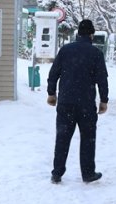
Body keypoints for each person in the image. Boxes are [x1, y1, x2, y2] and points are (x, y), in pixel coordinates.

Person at [46, 19, 109, 184]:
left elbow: (54, 73)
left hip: (66, 101)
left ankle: (57, 173)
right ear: (91, 34)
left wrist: (51, 93)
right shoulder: (96, 53)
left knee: (62, 138)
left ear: (77, 34)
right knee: (88, 138)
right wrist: (103, 99)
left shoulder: (65, 50)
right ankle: (88, 173)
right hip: (86, 103)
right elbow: (102, 78)